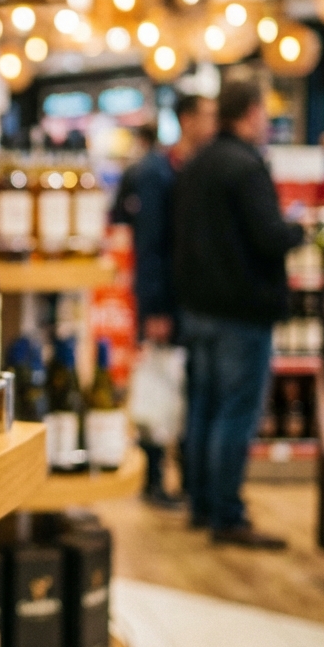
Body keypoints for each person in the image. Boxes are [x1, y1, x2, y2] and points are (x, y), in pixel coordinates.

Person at [173, 78, 303, 549]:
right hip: (241, 310)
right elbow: (268, 236)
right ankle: (227, 514)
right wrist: (298, 231)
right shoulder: (247, 166)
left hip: (199, 307)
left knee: (204, 408)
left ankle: (203, 504)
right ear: (251, 113)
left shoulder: (197, 163)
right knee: (235, 412)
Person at [112, 95, 217, 506]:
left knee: (180, 387)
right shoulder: (158, 170)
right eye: (207, 115)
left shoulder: (189, 166)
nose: (212, 122)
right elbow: (151, 243)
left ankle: (186, 480)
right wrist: (154, 307)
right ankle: (154, 479)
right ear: (187, 120)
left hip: (186, 296)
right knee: (159, 383)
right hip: (164, 298)